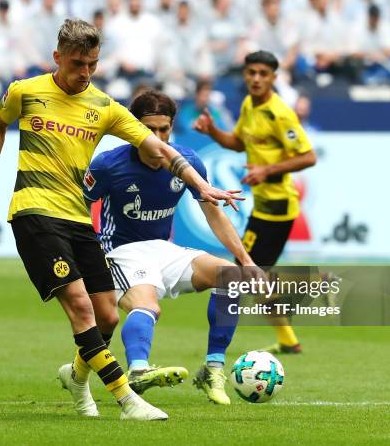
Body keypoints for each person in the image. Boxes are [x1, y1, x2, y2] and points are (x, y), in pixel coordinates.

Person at [0, 19, 242, 421]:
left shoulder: (103, 107)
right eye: (77, 63)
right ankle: (128, 399)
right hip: (34, 211)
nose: (85, 73)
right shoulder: (25, 92)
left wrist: (203, 185)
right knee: (81, 307)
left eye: (92, 64)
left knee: (108, 316)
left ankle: (77, 378)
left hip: (77, 220)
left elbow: (160, 149)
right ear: (57, 57)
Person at [83, 90, 262, 405]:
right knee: (148, 306)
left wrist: (246, 260)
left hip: (163, 250)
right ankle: (138, 372)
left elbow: (214, 214)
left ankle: (212, 368)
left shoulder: (188, 163)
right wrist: (86, 256)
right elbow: (79, 209)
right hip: (120, 251)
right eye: (148, 129)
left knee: (231, 276)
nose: (157, 137)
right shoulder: (108, 165)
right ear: (132, 128)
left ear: (171, 128)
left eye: (163, 129)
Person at [194, 50, 317, 355]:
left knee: (241, 273)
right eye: (252, 73)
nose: (257, 78)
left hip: (277, 209)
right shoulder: (250, 105)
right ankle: (288, 340)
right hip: (263, 207)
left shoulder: (280, 113)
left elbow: (308, 156)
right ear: (245, 75)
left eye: (264, 73)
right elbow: (238, 143)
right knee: (250, 274)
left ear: (274, 78)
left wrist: (267, 170)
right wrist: (213, 131)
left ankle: (220, 352)